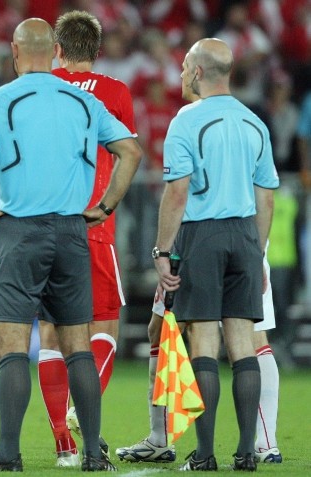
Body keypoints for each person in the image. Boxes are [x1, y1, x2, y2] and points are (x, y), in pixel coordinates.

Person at [0, 18, 141, 473]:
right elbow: (130, 151)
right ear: (51, 50)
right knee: (78, 344)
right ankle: (94, 454)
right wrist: (106, 205)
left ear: (15, 52)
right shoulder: (84, 100)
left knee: (12, 346)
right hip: (74, 232)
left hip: (19, 232)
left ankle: (7, 457)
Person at [150, 38, 278, 472]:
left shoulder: (186, 121)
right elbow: (268, 200)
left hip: (202, 235)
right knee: (243, 343)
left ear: (199, 72)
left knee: (203, 341)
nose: (182, 72)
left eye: (186, 65)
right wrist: (257, 254)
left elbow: (177, 191)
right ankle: (247, 453)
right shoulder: (255, 123)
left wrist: (162, 250)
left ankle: (205, 456)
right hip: (245, 235)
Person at [36, 10, 138, 468]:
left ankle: (64, 445)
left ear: (57, 49)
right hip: (91, 227)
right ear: (96, 52)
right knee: (105, 328)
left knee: (52, 336)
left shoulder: (36, 88)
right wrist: (105, 207)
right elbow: (128, 156)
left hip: (38, 225)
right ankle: (83, 408)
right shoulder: (115, 93)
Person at [115, 251, 283, 465]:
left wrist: (163, 254)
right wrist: (258, 253)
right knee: (252, 337)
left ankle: (164, 440)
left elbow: (173, 215)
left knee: (175, 332)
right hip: (246, 244)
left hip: (195, 247)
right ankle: (266, 444)